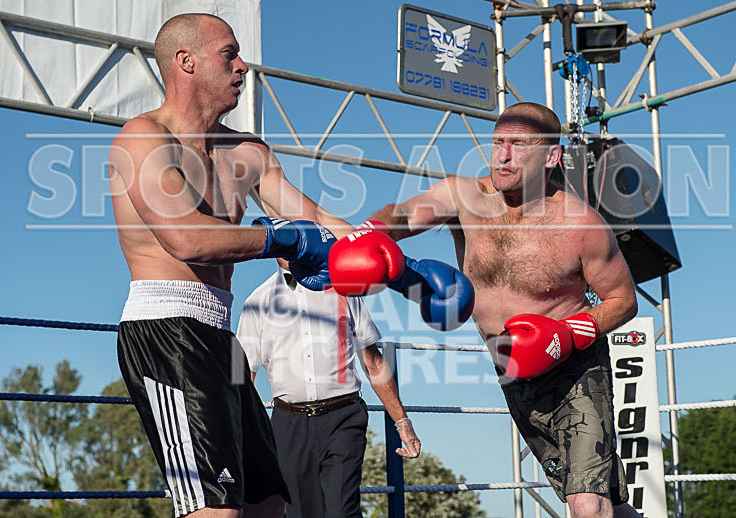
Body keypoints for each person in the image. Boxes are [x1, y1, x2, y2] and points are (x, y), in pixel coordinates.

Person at [327, 102, 641, 518]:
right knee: (598, 499)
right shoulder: (465, 198)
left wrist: (566, 335)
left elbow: (624, 300)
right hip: (511, 370)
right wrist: (368, 236)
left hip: (576, 369)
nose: (503, 155)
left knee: (586, 501)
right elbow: (401, 214)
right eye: (497, 143)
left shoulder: (580, 225)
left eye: (519, 144)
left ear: (551, 156)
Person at [108, 13, 351, 518]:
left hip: (222, 336)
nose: (243, 66)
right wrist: (279, 238)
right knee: (214, 510)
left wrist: (395, 259)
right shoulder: (143, 138)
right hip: (167, 333)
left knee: (267, 505)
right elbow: (187, 237)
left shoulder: (247, 151)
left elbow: (317, 219)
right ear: (186, 61)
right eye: (229, 54)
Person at [236, 258, 421, 518]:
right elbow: (241, 377)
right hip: (288, 425)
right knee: (302, 514)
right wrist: (237, 437)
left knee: (342, 511)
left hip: (343, 417)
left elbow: (374, 362)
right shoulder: (256, 302)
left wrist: (402, 423)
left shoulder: (344, 289)